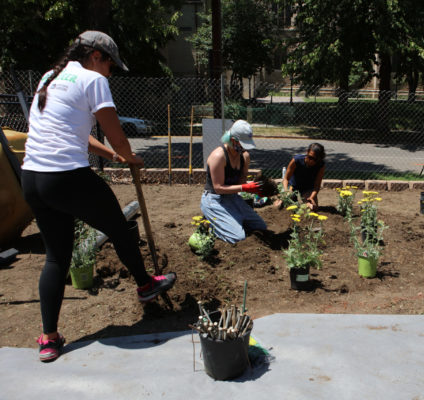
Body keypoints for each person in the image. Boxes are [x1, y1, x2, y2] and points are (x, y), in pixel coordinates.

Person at [21, 31, 176, 362]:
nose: (110, 71)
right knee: (119, 227)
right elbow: (115, 132)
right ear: (94, 55)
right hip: (65, 177)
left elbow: (74, 135)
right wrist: (128, 155)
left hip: (32, 178)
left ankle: (49, 339)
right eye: (109, 64)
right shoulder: (92, 79)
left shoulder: (50, 77)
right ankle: (146, 285)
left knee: (56, 257)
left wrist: (112, 156)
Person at [200, 120, 267, 243]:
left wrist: (255, 188)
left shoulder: (244, 156)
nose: (244, 147)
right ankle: (210, 224)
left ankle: (229, 221)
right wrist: (244, 188)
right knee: (237, 238)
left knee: (261, 227)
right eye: (242, 143)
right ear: (233, 140)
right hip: (214, 199)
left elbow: (241, 182)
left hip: (231, 198)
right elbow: (218, 188)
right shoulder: (219, 156)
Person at [278, 143, 326, 211]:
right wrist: (286, 192)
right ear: (307, 152)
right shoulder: (296, 160)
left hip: (307, 188)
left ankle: (301, 203)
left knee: (312, 208)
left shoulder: (321, 165)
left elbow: (317, 186)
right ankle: (285, 199)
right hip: (292, 186)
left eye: (315, 159)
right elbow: (286, 179)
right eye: (310, 157)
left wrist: (311, 197)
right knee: (283, 203)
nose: (312, 161)